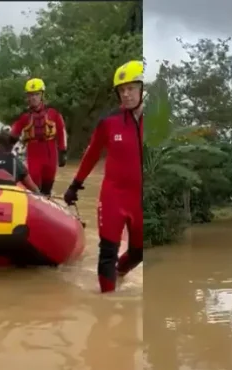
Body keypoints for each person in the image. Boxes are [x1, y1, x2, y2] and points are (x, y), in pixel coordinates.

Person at [63, 60, 143, 293]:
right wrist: (75, 185)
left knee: (139, 252)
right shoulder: (109, 122)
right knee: (107, 250)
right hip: (113, 196)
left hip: (141, 200)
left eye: (131, 88)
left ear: (143, 88)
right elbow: (91, 155)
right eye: (121, 90)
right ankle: (105, 305)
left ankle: (119, 272)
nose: (126, 94)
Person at [9, 78, 67, 196]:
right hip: (34, 152)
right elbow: (13, 134)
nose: (33, 98)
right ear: (27, 97)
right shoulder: (24, 116)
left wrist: (63, 151)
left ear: (42, 95)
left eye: (36, 94)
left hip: (51, 153)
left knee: (47, 187)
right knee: (34, 185)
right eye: (30, 95)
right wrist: (4, 148)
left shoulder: (53, 112)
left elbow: (61, 131)